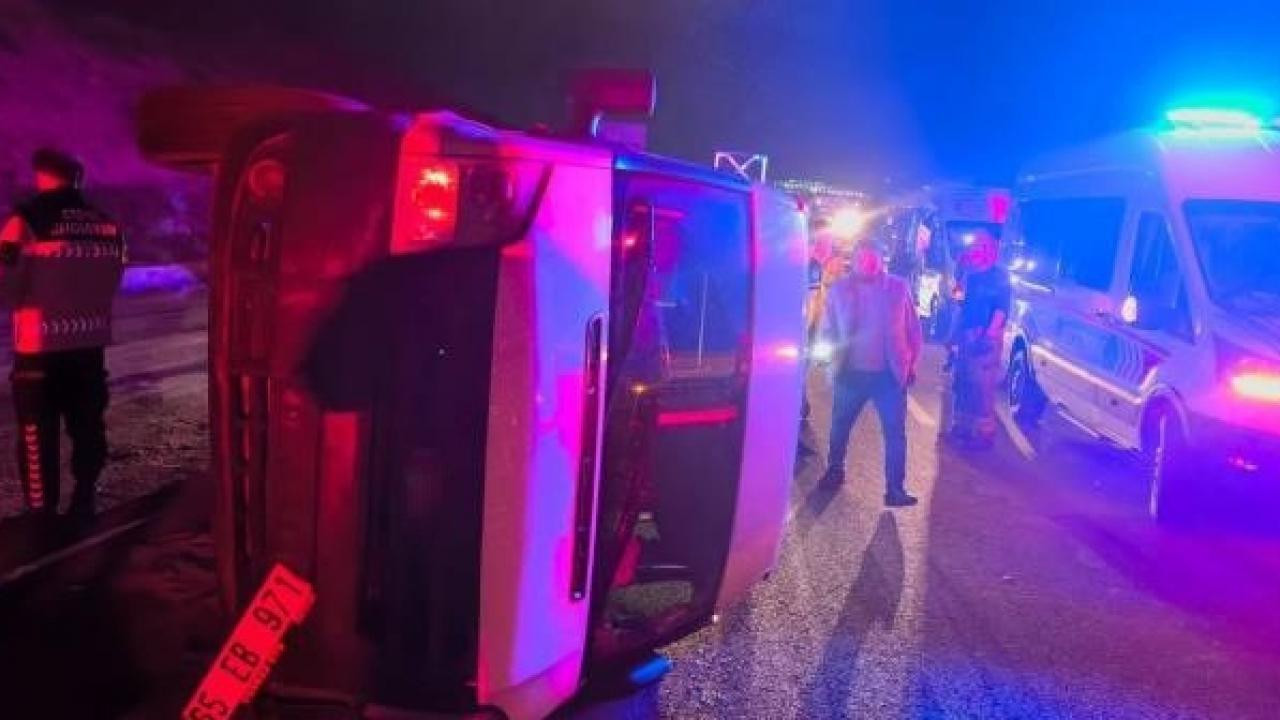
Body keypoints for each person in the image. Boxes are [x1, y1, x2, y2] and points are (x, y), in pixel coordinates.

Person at [0, 149, 125, 520]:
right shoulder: (107, 224)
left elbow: (6, 285)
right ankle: (85, 498)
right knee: (87, 426)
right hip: (90, 345)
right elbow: (115, 277)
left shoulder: (26, 221)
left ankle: (41, 512)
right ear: (77, 178)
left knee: (37, 432)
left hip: (39, 345)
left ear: (41, 175)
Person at [819, 236, 923, 507]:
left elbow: (913, 329)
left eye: (873, 258)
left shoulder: (898, 288)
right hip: (850, 373)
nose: (868, 263)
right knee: (840, 426)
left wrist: (911, 363)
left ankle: (895, 489)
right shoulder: (839, 289)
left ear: (881, 260)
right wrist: (827, 357)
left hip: (888, 376)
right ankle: (835, 471)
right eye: (863, 258)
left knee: (895, 433)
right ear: (854, 260)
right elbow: (827, 328)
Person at [948, 228, 1010, 449]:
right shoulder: (968, 271)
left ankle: (985, 433)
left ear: (992, 250)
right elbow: (958, 299)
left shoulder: (999, 276)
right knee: (963, 381)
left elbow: (1002, 308)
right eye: (976, 246)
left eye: (983, 246)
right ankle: (962, 427)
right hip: (966, 333)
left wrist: (990, 333)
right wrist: (960, 276)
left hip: (986, 336)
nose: (978, 250)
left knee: (982, 387)